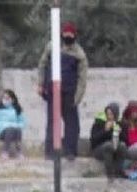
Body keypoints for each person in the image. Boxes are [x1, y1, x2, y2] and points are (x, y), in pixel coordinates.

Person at [36, 21, 88, 160]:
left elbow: (82, 78)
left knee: (72, 124)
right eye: (66, 33)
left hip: (70, 93)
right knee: (53, 121)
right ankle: (50, 152)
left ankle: (70, 151)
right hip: (52, 90)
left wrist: (77, 97)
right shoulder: (52, 46)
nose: (68, 36)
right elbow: (42, 65)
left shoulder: (79, 53)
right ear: (61, 34)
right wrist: (41, 84)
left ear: (75, 35)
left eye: (71, 34)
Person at [90, 103, 128, 181]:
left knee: (122, 146)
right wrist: (105, 130)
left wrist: (120, 132)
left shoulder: (121, 123)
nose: (109, 116)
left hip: (115, 147)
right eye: (107, 114)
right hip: (99, 149)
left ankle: (119, 170)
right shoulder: (99, 122)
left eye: (111, 114)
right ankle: (110, 174)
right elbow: (94, 139)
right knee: (108, 145)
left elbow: (126, 141)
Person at [0, 89, 24, 160]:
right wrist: (4, 125)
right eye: (4, 98)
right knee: (9, 129)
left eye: (8, 98)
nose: (6, 100)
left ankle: (19, 151)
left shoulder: (17, 110)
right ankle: (5, 152)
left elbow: (22, 123)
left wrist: (15, 125)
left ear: (13, 100)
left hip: (14, 130)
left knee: (18, 130)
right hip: (1, 132)